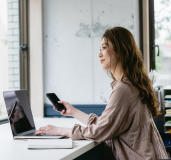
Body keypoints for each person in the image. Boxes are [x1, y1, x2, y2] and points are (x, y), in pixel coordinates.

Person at [35, 27, 169, 159]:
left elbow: (99, 131)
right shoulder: (133, 84)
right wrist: (73, 112)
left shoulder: (123, 89)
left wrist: (59, 131)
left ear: (120, 50)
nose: (100, 54)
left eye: (104, 48)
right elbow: (108, 124)